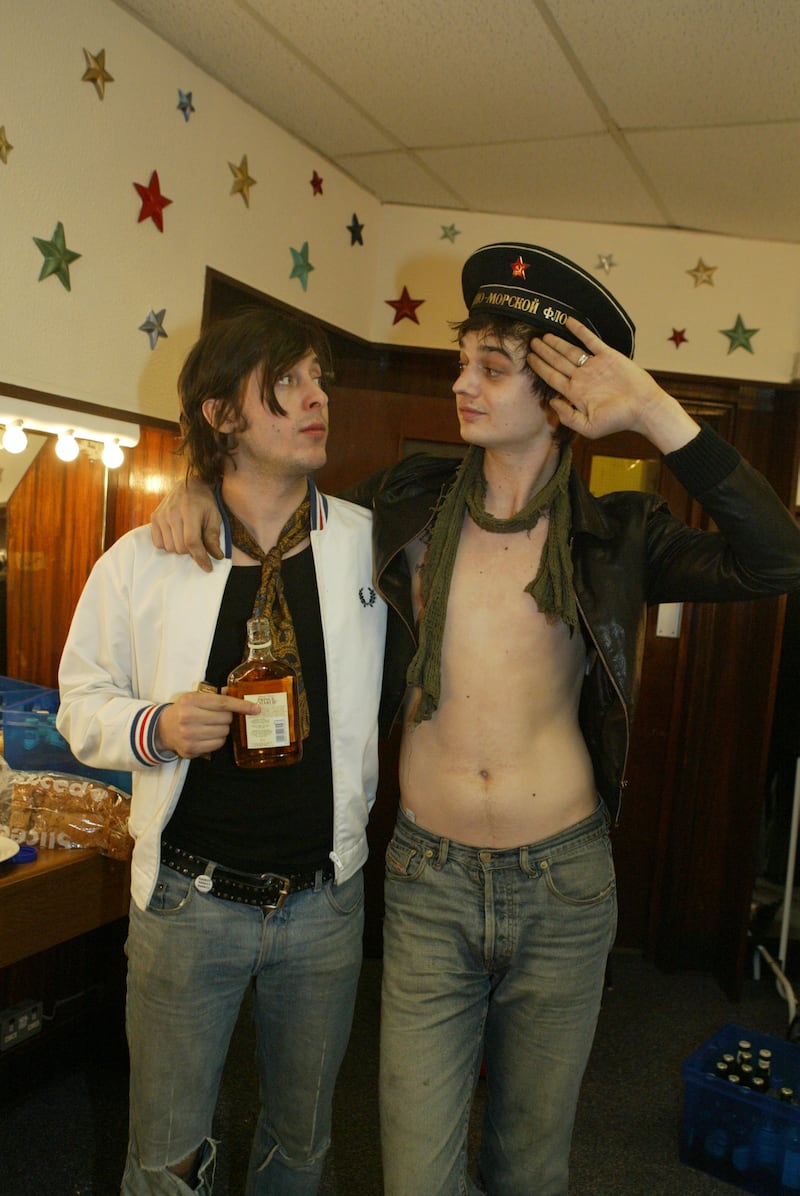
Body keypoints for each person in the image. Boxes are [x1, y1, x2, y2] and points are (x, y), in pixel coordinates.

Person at [149, 243, 800, 1196]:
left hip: (565, 885)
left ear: (562, 396)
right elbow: (277, 505)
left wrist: (657, 416)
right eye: (465, 361)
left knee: (529, 1167)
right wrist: (195, 483)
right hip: (429, 882)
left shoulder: (618, 532)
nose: (462, 384)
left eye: (492, 369)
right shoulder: (403, 510)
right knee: (417, 1173)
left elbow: (776, 559)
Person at [57, 308, 386, 1195]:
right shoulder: (144, 557)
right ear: (220, 415)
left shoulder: (371, 543)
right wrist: (154, 728)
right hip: (187, 903)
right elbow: (79, 704)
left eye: (320, 380)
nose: (316, 399)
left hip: (325, 902)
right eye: (286, 383)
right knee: (164, 1156)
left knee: (304, 1145)